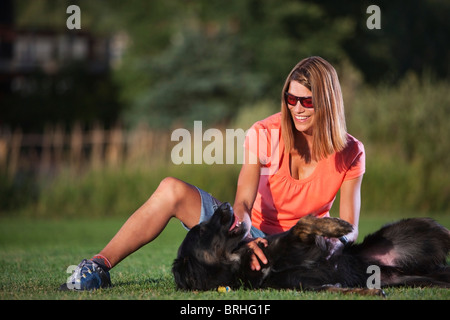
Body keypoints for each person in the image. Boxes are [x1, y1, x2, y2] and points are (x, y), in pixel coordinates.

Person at [62, 56, 365, 291]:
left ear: (326, 101)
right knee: (171, 189)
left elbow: (349, 228)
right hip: (250, 237)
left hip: (301, 245)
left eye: (307, 101)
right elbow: (243, 202)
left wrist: (326, 247)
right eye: (291, 98)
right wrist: (243, 237)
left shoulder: (351, 152)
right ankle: (98, 267)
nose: (297, 108)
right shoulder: (265, 133)